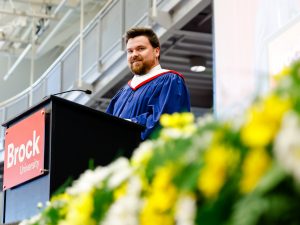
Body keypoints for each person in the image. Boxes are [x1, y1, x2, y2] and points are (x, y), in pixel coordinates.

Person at [106, 27, 191, 140]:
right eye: (130, 51)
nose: (134, 54)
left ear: (156, 51)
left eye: (140, 49)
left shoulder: (170, 81)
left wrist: (128, 125)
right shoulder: (121, 94)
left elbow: (165, 123)